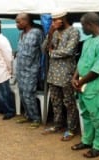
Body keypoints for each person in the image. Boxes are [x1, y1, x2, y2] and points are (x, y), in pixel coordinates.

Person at [71, 12, 99, 158]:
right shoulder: (88, 41)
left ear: (90, 25)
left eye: (83, 26)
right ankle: (87, 140)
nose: (82, 29)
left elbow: (97, 69)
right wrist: (75, 77)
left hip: (96, 85)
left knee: (97, 116)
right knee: (86, 114)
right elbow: (81, 61)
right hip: (83, 85)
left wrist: (81, 81)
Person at [42, 10, 79, 141]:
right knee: (55, 101)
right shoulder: (55, 32)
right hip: (53, 73)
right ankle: (58, 124)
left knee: (69, 102)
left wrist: (53, 53)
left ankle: (71, 128)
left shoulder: (74, 32)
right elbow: (44, 48)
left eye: (55, 20)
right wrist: (51, 32)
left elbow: (69, 51)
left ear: (63, 19)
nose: (53, 23)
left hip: (66, 73)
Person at [15, 13, 44, 128]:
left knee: (29, 94)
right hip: (20, 69)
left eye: (18, 22)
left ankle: (36, 118)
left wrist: (41, 69)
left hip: (31, 70)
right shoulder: (21, 34)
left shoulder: (37, 32)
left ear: (26, 21)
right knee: (22, 94)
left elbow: (43, 50)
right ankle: (28, 115)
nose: (16, 24)